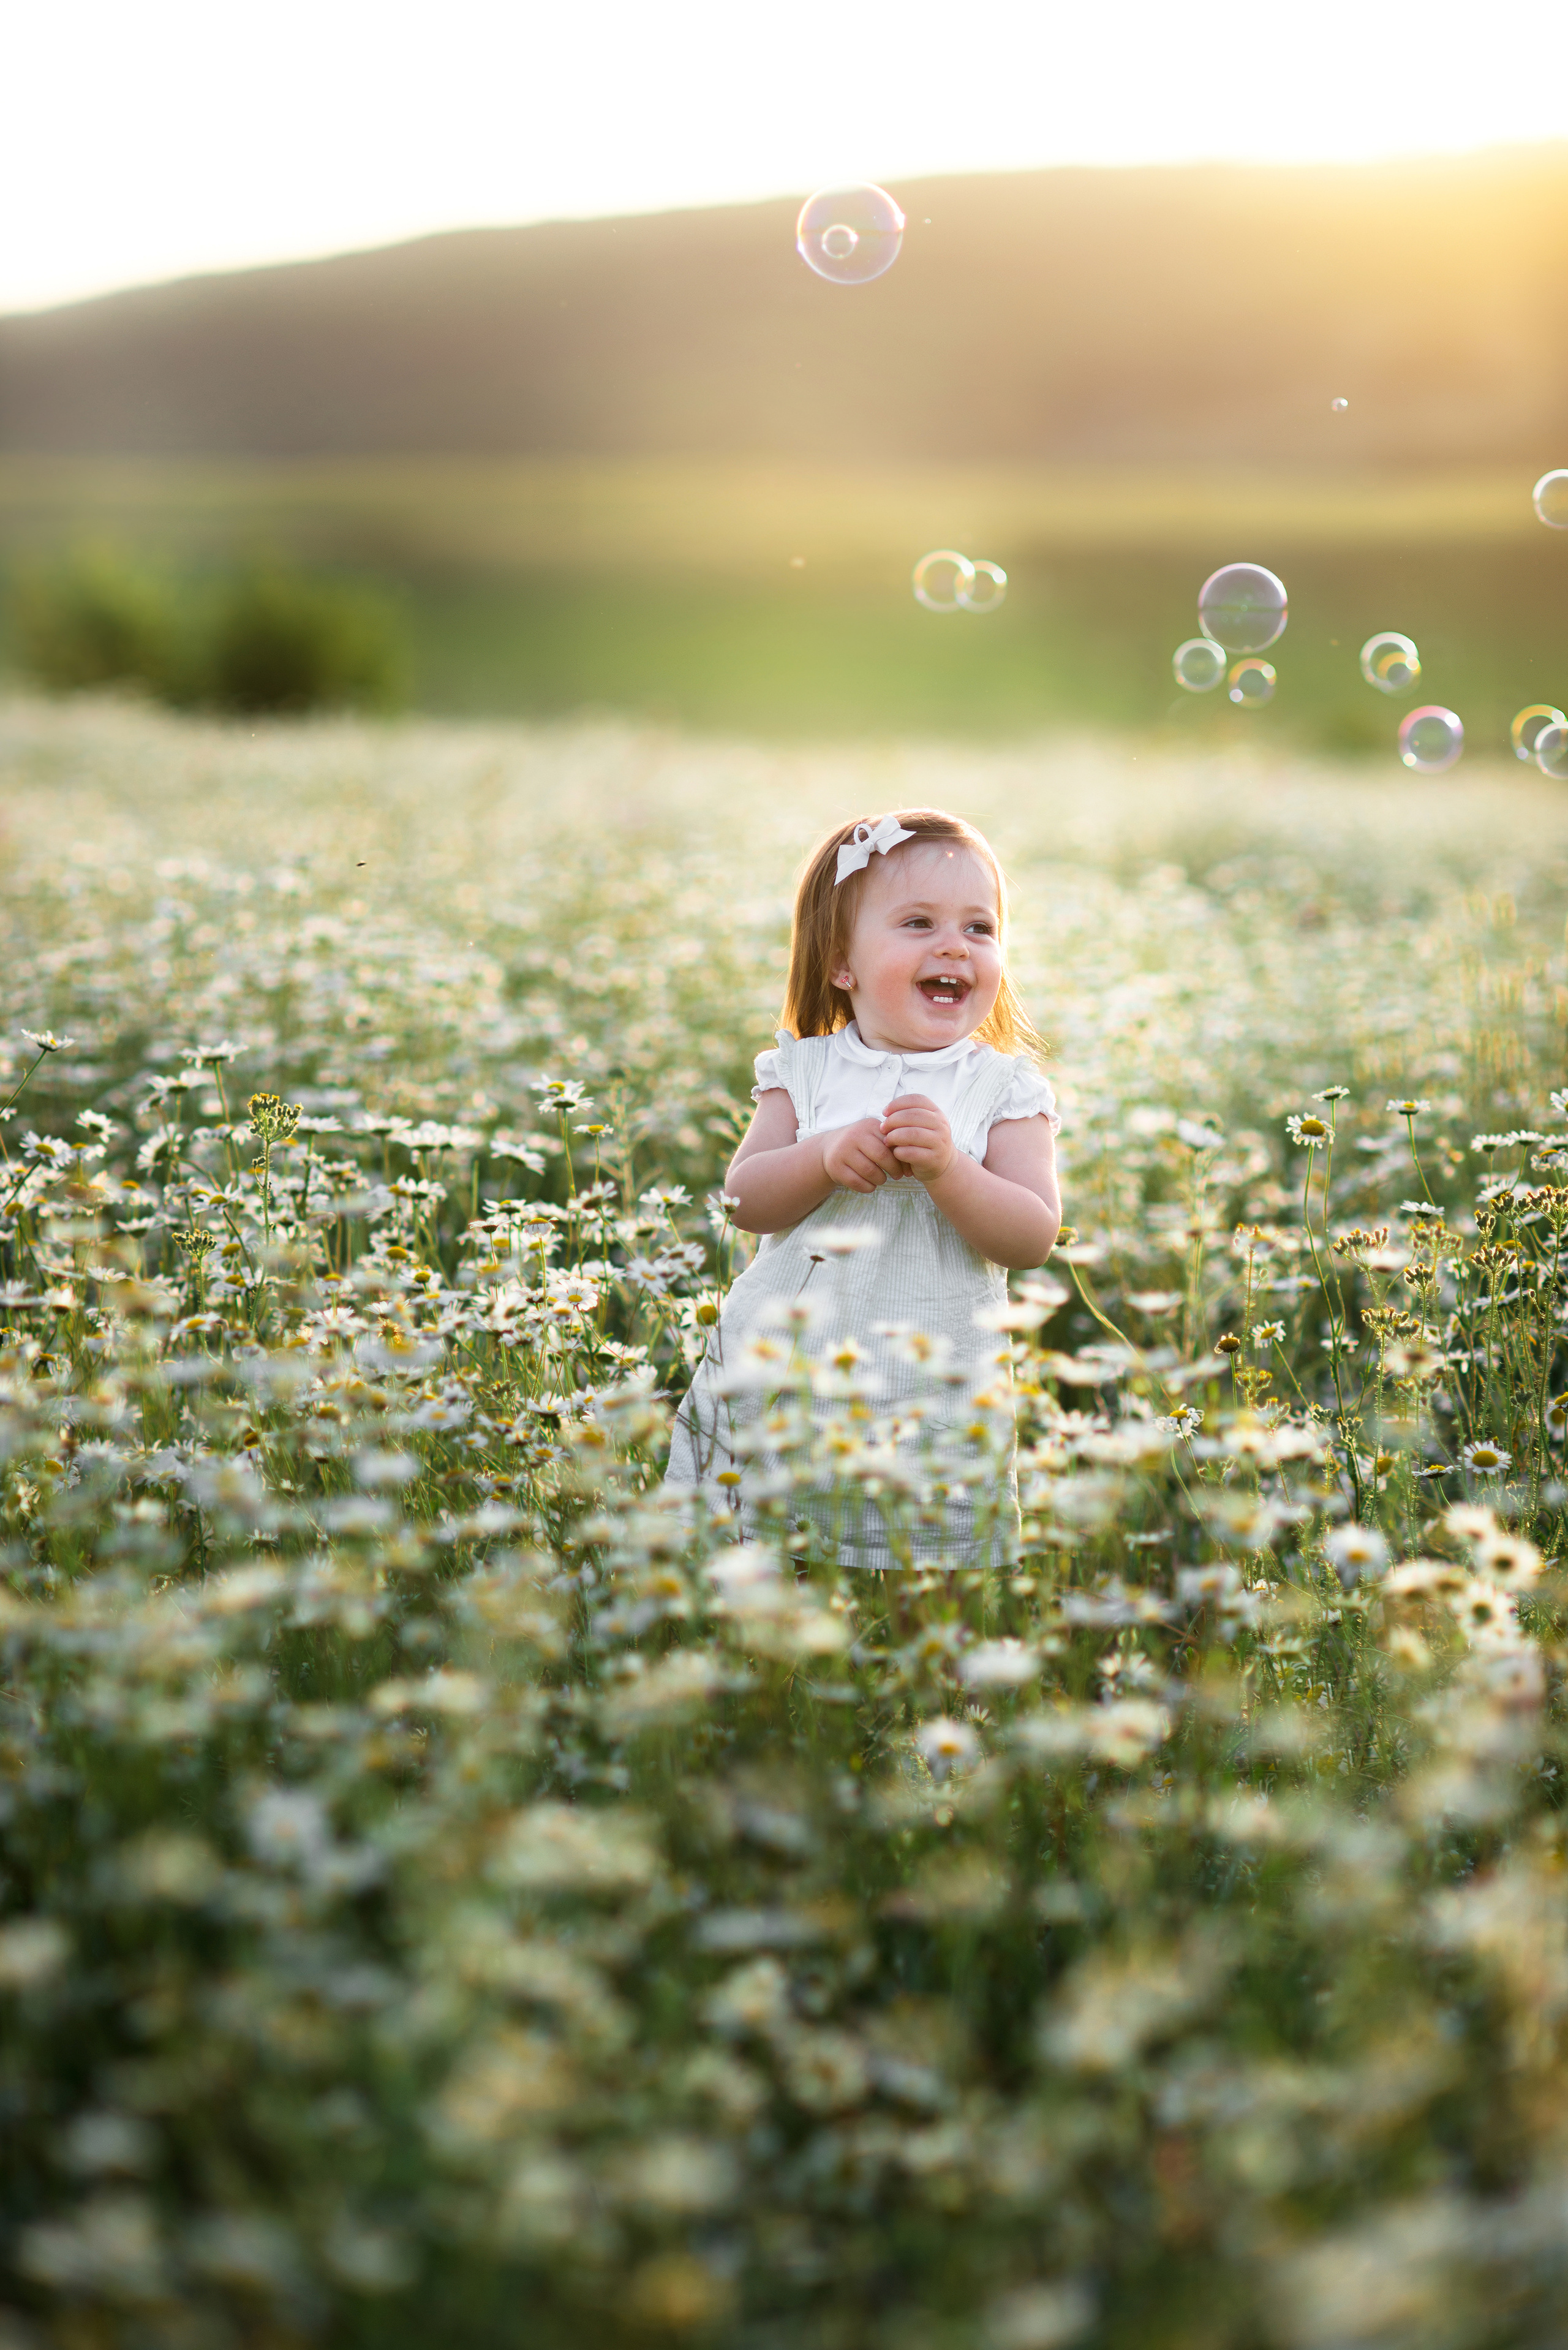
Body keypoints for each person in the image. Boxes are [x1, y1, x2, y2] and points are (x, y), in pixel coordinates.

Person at [666, 807, 1061, 1570]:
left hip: (933, 1381)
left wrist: (951, 1170)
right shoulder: (805, 1071)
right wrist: (818, 1157)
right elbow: (744, 1201)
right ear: (841, 962)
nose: (954, 945)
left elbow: (1032, 1235)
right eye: (918, 922)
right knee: (774, 1550)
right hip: (792, 1369)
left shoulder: (1003, 1086)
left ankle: (934, 1688)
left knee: (927, 1565)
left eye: (980, 928)